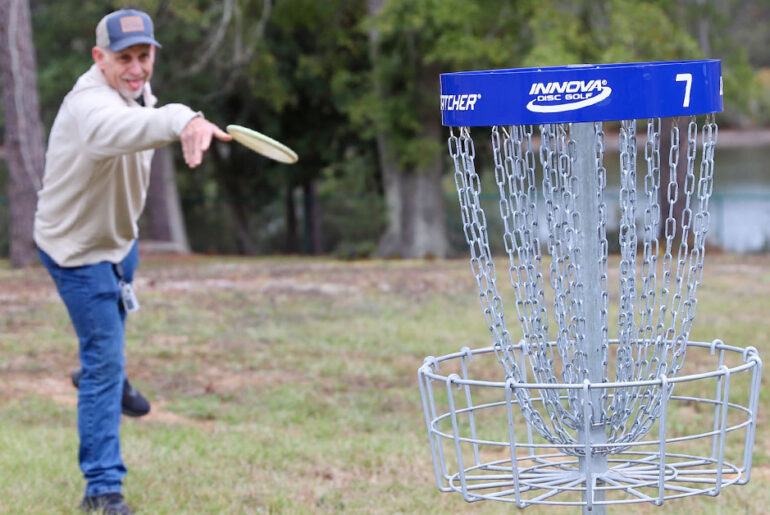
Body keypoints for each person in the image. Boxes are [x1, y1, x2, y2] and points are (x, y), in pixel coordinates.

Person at [34, 9, 231, 514]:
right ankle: (102, 490)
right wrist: (183, 118)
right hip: (77, 254)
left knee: (105, 351)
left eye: (144, 57)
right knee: (103, 358)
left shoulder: (136, 91)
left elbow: (145, 113)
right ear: (100, 58)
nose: (137, 68)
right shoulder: (91, 109)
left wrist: (177, 115)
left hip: (121, 243)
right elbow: (128, 129)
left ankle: (106, 375)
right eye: (125, 58)